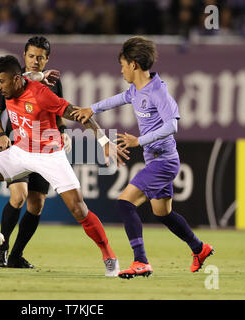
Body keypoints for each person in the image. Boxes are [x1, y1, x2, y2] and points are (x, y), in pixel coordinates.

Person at [0, 55, 128, 276]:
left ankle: (109, 255)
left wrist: (103, 141)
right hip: (20, 151)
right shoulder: (11, 85)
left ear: (15, 79)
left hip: (49, 155)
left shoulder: (41, 94)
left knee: (78, 208)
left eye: (1, 82)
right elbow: (25, 77)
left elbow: (78, 114)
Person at [71, 36, 214, 279]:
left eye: (123, 65)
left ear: (134, 64)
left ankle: (141, 261)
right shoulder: (135, 90)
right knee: (162, 213)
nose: (122, 70)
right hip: (156, 160)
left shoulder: (157, 90)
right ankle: (199, 248)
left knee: (124, 203)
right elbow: (117, 99)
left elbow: (172, 125)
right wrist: (91, 109)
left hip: (163, 161)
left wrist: (140, 141)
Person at [0, 36, 71, 269]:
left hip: (45, 149)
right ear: (24, 55)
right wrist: (0, 134)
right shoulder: (12, 78)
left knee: (36, 205)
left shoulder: (53, 82)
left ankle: (16, 255)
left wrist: (63, 130)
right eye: (32, 56)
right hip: (19, 146)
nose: (35, 61)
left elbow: (58, 111)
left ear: (48, 59)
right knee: (19, 196)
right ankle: (1, 249)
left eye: (40, 57)